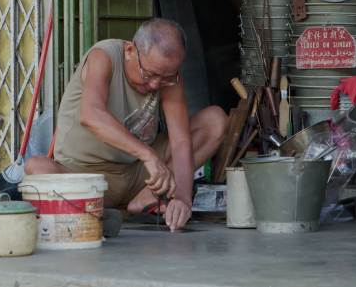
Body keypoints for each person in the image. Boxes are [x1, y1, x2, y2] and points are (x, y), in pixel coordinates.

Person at [26, 18, 228, 232]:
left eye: (165, 78)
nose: (154, 85)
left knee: (215, 121)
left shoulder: (167, 77)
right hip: (86, 177)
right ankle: (103, 209)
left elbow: (181, 142)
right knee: (37, 167)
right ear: (130, 50)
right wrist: (147, 155)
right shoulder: (104, 56)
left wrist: (183, 199)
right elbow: (91, 115)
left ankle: (142, 199)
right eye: (149, 74)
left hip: (137, 175)